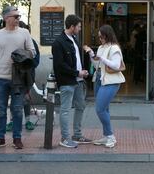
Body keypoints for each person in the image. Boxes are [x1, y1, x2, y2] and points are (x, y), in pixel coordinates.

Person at [0, 6, 35, 150]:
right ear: (6, 18)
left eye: (19, 16)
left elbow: (32, 52)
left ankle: (17, 138)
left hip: (18, 78)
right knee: (0, 109)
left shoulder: (25, 33)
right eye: (15, 16)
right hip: (0, 77)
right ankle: (0, 138)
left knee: (17, 109)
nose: (18, 19)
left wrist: (20, 55)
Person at [52, 14, 91, 148]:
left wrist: (83, 71)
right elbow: (60, 65)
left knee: (81, 106)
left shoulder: (74, 39)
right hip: (67, 81)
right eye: (79, 27)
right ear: (72, 26)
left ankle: (77, 134)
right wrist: (77, 72)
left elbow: (76, 59)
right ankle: (65, 138)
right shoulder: (59, 42)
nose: (80, 29)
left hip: (79, 80)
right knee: (65, 109)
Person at [84, 25, 125, 148]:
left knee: (100, 109)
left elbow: (116, 65)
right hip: (99, 79)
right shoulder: (102, 47)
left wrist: (101, 57)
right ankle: (107, 136)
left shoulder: (114, 48)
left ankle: (111, 136)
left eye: (101, 36)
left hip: (111, 81)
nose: (100, 38)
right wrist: (91, 53)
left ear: (107, 35)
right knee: (104, 109)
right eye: (99, 36)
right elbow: (97, 65)